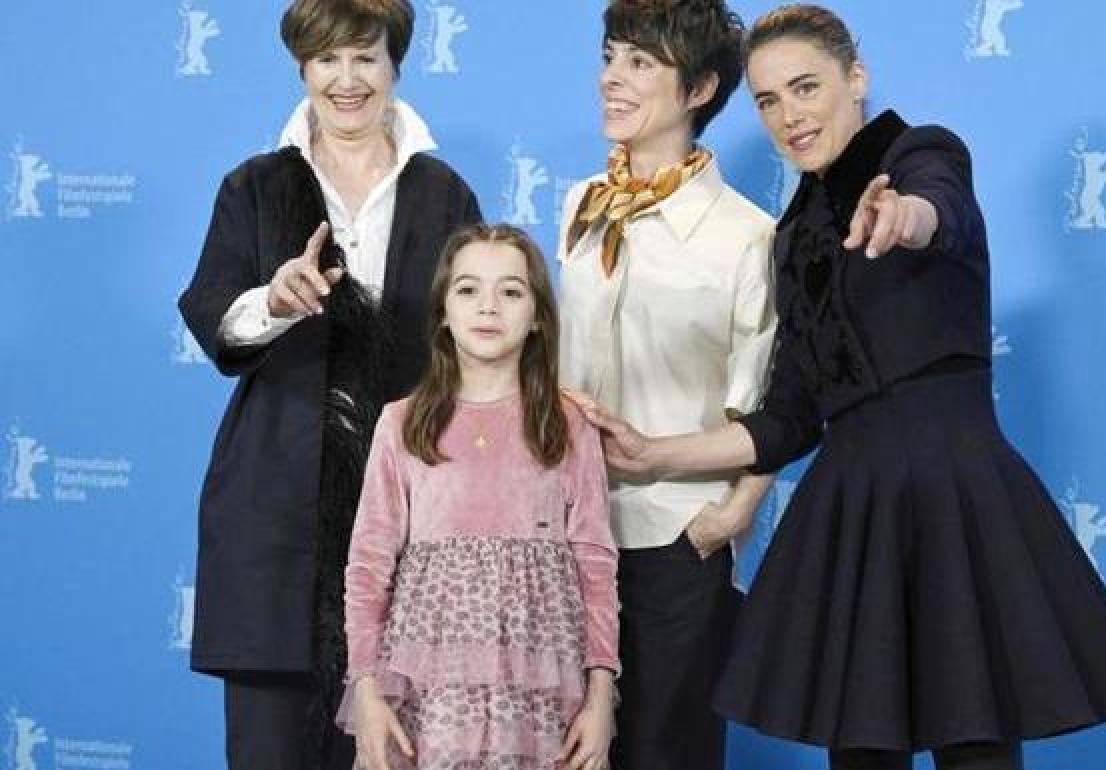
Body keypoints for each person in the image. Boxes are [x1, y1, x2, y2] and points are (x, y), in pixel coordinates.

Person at [572, 5, 1106, 770]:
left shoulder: (919, 153)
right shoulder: (792, 233)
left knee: (976, 744)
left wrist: (906, 216)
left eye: (806, 87)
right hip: (853, 506)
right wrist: (655, 454)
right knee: (860, 752)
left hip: (953, 492)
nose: (790, 115)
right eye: (769, 101)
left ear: (856, 77)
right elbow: (788, 416)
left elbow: (938, 203)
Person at [177, 1, 481, 767]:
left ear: (396, 65)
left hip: (412, 514)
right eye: (326, 60)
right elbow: (211, 311)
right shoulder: (254, 186)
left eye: (365, 58)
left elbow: (478, 337)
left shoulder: (444, 193)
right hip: (275, 513)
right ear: (302, 67)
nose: (347, 80)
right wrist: (273, 304)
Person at [556, 1, 777, 768]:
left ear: (700, 89)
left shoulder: (747, 237)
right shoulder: (582, 204)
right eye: (611, 57)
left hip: (675, 540)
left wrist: (727, 521)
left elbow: (766, 409)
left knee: (663, 752)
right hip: (566, 535)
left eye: (641, 62)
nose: (612, 78)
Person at [336, 224, 618, 770]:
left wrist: (601, 694)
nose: (488, 306)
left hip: (539, 691)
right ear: (443, 311)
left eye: (511, 291)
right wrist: (366, 689)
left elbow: (596, 566)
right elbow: (368, 566)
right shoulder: (400, 424)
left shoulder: (568, 426)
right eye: (468, 289)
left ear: (538, 316)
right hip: (429, 693)